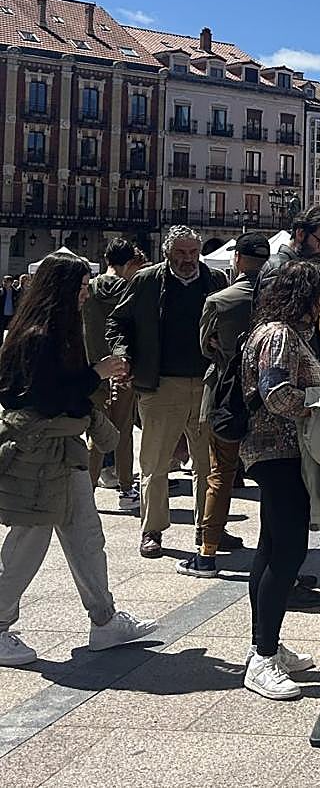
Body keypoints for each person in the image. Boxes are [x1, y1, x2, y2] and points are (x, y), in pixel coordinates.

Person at [0, 253, 157, 666]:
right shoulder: (38, 335)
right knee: (27, 544)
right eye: (82, 286)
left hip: (62, 454)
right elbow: (45, 396)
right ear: (63, 289)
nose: (86, 292)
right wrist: (97, 373)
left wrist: (91, 377)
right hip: (40, 456)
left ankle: (104, 621)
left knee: (86, 536)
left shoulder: (52, 331)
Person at [240, 260, 320, 699]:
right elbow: (276, 394)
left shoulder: (275, 331)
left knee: (271, 548)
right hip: (278, 452)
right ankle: (262, 656)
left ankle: (267, 646)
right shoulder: (279, 336)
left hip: (276, 452)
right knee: (288, 551)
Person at [108, 226, 227, 559]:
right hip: (161, 386)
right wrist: (122, 353)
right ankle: (152, 530)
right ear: (167, 252)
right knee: (155, 465)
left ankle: (208, 528)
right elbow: (118, 322)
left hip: (206, 384)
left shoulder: (215, 280)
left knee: (208, 464)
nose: (188, 259)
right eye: (181, 253)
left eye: (193, 253)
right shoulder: (146, 281)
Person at [175, 233, 270, 579]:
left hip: (227, 397)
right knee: (272, 482)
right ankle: (272, 555)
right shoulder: (278, 300)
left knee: (220, 476)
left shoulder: (220, 300)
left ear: (239, 260)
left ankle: (207, 554)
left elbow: (206, 347)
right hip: (268, 402)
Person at [82, 239, 145, 508]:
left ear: (106, 258)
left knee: (95, 433)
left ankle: (88, 489)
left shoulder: (91, 289)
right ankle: (126, 489)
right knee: (123, 431)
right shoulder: (132, 289)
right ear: (130, 261)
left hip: (93, 367)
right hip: (122, 367)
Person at [256, 207, 320, 388]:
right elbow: (276, 329)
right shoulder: (279, 269)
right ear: (300, 233)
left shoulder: (308, 271)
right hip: (295, 389)